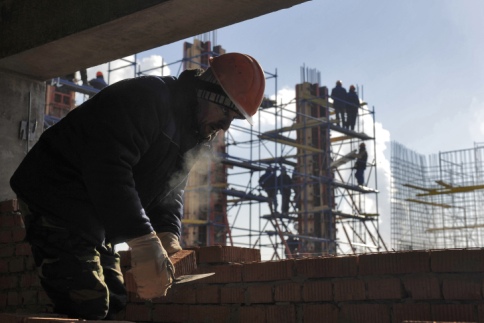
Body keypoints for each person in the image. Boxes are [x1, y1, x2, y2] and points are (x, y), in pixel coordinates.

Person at [10, 52, 265, 320]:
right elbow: (109, 169)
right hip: (57, 195)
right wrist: (142, 238)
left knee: (117, 300)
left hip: (95, 210)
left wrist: (168, 234)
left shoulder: (196, 132)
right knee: (87, 303)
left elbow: (171, 190)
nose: (225, 126)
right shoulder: (148, 99)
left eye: (234, 118)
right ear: (207, 93)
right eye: (226, 112)